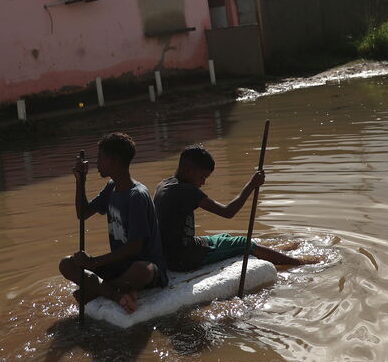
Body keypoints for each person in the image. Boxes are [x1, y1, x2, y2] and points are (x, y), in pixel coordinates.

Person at [154, 144, 314, 272]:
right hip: (184, 258)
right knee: (243, 244)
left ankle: (278, 250)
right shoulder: (186, 190)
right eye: (202, 177)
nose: (203, 182)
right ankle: (299, 262)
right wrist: (251, 185)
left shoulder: (164, 184)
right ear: (188, 170)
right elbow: (228, 212)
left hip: (174, 252)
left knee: (225, 236)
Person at [59, 132, 168, 314]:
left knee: (143, 270)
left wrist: (93, 263)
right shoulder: (111, 187)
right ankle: (113, 293)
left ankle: (98, 289)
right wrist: (80, 181)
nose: (96, 163)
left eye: (100, 158)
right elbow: (83, 213)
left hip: (141, 266)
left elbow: (134, 249)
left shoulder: (137, 196)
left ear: (112, 161)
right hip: (120, 265)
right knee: (66, 264)